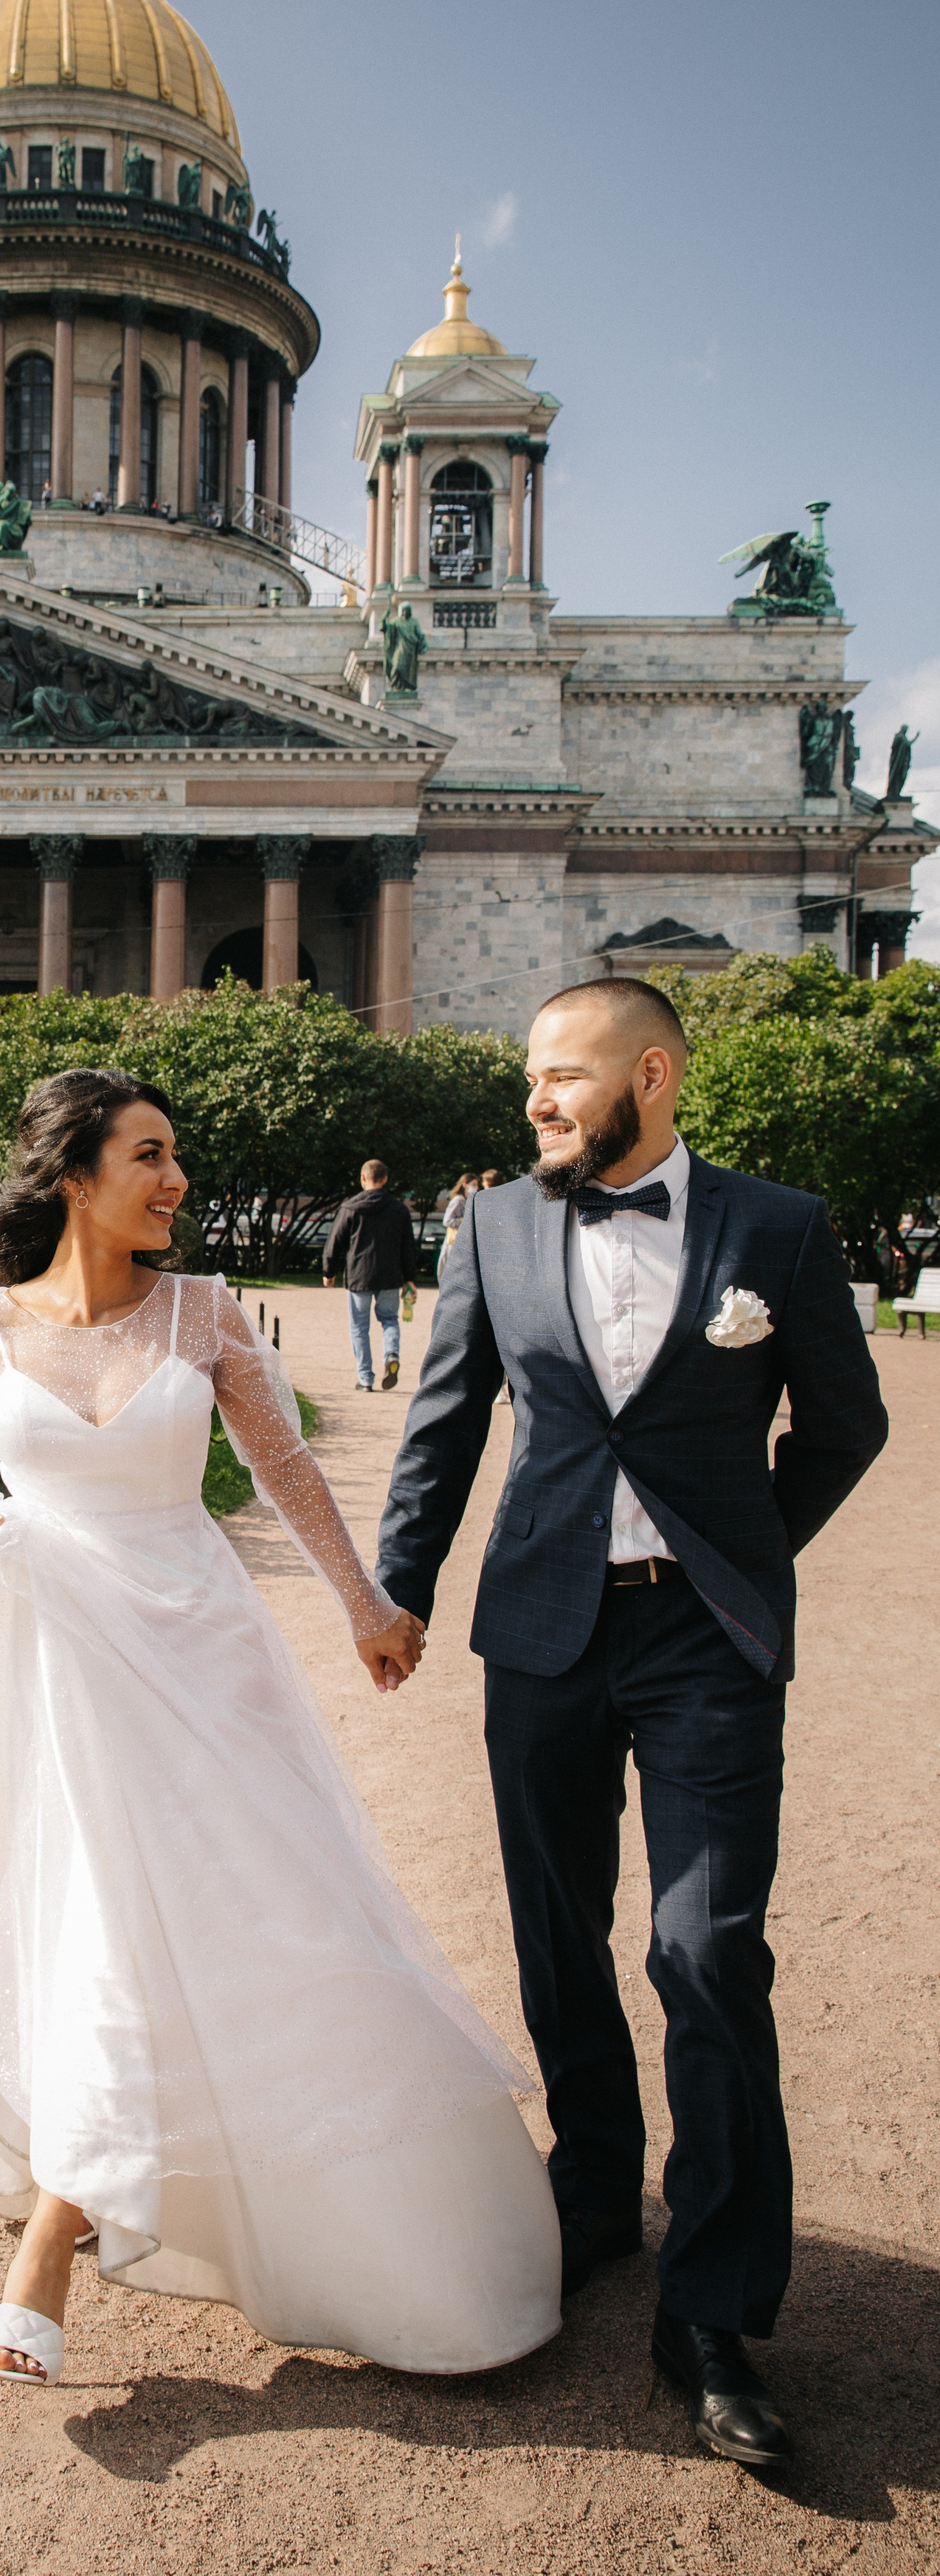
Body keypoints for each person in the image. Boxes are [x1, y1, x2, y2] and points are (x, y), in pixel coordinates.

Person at [0, 1067, 561, 2389]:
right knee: (103, 1926)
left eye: (174, 1155)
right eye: (149, 1154)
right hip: (61, 1664)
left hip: (200, 1658)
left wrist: (368, 1605)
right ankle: (61, 2223)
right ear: (73, 1173)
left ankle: (100, 2215)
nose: (176, 1179)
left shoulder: (203, 1311)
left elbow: (282, 1464)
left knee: (263, 1919)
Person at [376, 978, 889, 2475]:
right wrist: (397, 1591)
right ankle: (598, 2188)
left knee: (706, 1948)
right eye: (529, 1079)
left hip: (701, 1643)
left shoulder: (777, 1228)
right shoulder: (492, 1226)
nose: (535, 1099)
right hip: (541, 1629)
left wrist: (743, 1553)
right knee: (555, 1929)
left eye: (560, 1074)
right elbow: (443, 1423)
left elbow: (845, 1424)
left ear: (650, 1076)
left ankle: (710, 2307)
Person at [325, 1160, 420, 1393]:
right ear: (386, 1179)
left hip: (359, 1276)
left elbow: (335, 1241)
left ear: (363, 1178)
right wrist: (410, 1278)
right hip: (390, 1276)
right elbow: (408, 1246)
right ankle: (391, 1354)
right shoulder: (399, 1209)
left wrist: (329, 1271)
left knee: (359, 1327)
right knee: (389, 1319)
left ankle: (366, 1379)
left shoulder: (351, 1207)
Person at [439, 1174, 474, 1264]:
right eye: (473, 1184)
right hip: (454, 1242)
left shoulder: (466, 1200)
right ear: (465, 1184)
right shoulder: (458, 1200)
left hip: (461, 1242)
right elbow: (447, 1221)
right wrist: (462, 1220)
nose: (476, 1187)